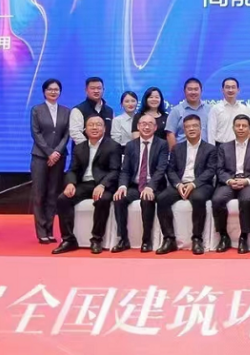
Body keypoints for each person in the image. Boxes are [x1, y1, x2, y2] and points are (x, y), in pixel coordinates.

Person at [53, 115, 122, 255]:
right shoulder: (79, 148)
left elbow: (115, 171)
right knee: (62, 199)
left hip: (103, 185)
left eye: (98, 125)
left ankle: (96, 239)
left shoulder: (113, 146)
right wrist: (70, 183)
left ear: (104, 128)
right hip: (84, 184)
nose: (95, 128)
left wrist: (103, 185)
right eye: (91, 125)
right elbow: (72, 170)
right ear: (85, 129)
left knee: (103, 200)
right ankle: (68, 240)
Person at [155, 114, 218, 255]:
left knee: (198, 198)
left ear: (201, 128)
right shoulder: (177, 148)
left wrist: (194, 184)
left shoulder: (210, 149)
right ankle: (169, 239)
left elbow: (210, 171)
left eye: (195, 126)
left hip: (201, 185)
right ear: (184, 130)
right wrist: (178, 184)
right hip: (180, 184)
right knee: (162, 198)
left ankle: (197, 239)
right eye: (188, 127)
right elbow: (170, 170)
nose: (191, 129)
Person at [111, 113, 169, 253]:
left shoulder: (162, 144)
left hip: (154, 186)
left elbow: (161, 169)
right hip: (135, 185)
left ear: (155, 127)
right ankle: (123, 239)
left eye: (150, 124)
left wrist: (150, 187)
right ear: (138, 126)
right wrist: (122, 186)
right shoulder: (131, 145)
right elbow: (125, 170)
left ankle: (146, 240)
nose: (146, 127)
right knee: (119, 199)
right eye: (143, 124)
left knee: (146, 199)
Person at [211, 114, 250, 254]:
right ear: (233, 127)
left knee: (246, 200)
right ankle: (223, 236)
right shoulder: (224, 147)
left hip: (248, 183)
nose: (241, 128)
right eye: (238, 125)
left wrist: (247, 181)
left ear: (249, 128)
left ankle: (243, 237)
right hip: (229, 182)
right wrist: (229, 180)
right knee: (217, 200)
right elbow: (219, 169)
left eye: (244, 126)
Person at [30, 78, 70, 244]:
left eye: (56, 89)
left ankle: (49, 229)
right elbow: (35, 133)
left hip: (59, 158)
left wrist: (57, 152)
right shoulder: (37, 110)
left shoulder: (66, 111)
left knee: (53, 194)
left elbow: (67, 134)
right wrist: (49, 153)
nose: (53, 92)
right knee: (39, 194)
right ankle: (41, 232)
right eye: (50, 89)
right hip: (40, 157)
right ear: (44, 91)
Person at [166, 77, 212, 147]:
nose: (193, 92)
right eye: (190, 89)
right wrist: (175, 152)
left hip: (205, 151)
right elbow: (170, 134)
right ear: (184, 91)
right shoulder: (176, 110)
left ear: (201, 91)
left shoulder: (209, 109)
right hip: (183, 151)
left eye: (196, 89)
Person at [69, 76, 113, 144]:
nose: (96, 91)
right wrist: (90, 147)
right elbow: (75, 132)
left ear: (103, 90)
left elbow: (112, 133)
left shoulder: (110, 111)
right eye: (92, 88)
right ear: (86, 90)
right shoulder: (78, 110)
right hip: (84, 149)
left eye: (99, 88)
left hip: (107, 149)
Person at [208, 77, 247, 145]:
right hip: (220, 146)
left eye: (233, 87)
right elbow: (211, 132)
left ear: (238, 90)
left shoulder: (244, 109)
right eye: (227, 87)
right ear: (222, 90)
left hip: (240, 145)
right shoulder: (216, 109)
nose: (230, 90)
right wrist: (212, 149)